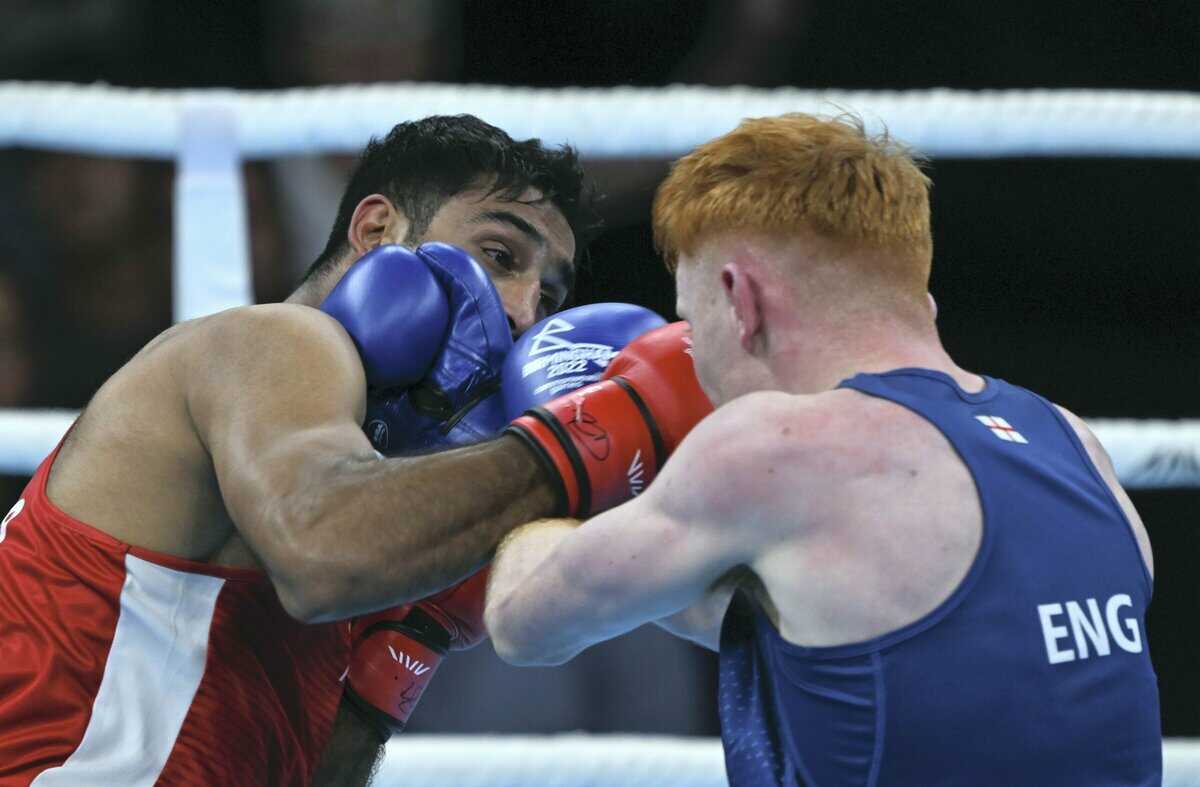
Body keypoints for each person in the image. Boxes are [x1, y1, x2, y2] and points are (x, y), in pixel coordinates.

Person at [0, 113, 692, 787]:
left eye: (548, 296)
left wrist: (399, 654)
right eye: (500, 257)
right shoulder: (270, 342)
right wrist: (591, 437)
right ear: (377, 229)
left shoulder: (362, 483)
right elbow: (321, 558)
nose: (522, 313)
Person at [485, 113, 1162, 786]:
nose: (695, 360)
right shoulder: (1073, 443)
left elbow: (523, 622)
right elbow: (868, 639)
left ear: (739, 299)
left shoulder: (780, 449)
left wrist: (561, 454)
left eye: (693, 323)